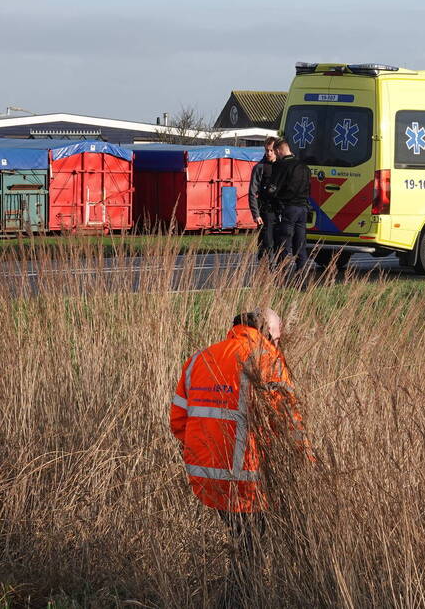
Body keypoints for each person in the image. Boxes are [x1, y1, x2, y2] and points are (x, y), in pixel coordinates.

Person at [169, 308, 310, 555]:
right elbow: (290, 424)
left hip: (205, 476)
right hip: (249, 480)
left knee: (244, 545)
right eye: (277, 338)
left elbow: (178, 422)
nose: (279, 344)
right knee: (250, 550)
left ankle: (238, 591)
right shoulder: (268, 360)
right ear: (265, 333)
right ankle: (241, 594)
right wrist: (307, 459)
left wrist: (202, 453)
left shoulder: (198, 359)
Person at [270, 139, 311, 271]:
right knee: (300, 245)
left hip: (288, 209)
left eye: (276, 153)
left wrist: (268, 196)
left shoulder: (282, 166)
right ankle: (301, 279)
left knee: (284, 244)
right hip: (303, 209)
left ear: (278, 150)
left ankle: (283, 276)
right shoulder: (304, 167)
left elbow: (273, 189)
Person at [248, 137, 279, 260]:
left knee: (278, 242)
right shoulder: (260, 167)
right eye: (267, 150)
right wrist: (256, 214)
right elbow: (252, 192)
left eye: (271, 150)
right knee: (266, 242)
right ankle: (263, 267)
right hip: (265, 210)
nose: (269, 153)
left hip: (279, 210)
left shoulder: (282, 166)